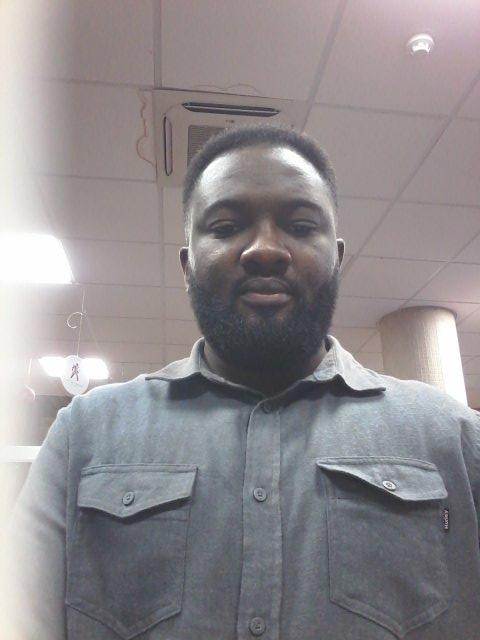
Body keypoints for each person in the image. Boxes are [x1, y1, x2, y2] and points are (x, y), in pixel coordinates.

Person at [3, 124, 480, 640]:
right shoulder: (85, 437)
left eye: (300, 225)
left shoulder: (453, 440)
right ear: (187, 265)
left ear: (338, 258)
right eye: (227, 226)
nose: (265, 249)